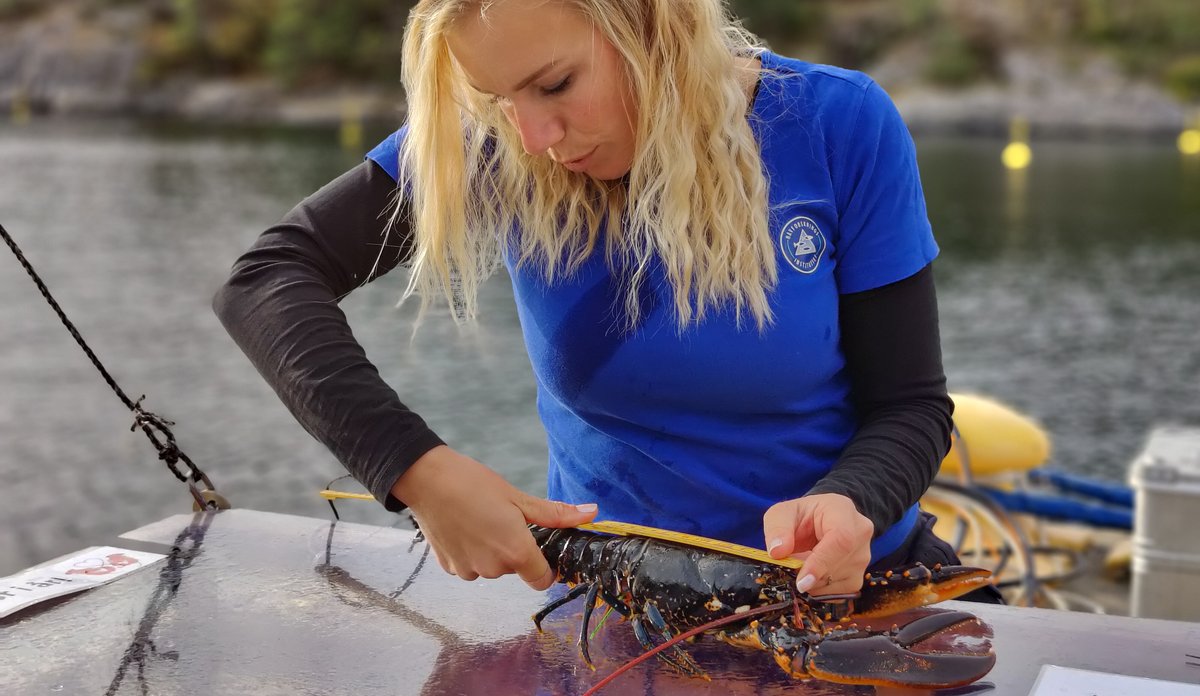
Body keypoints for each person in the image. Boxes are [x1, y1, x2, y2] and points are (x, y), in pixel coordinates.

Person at [214, 0, 1001, 603]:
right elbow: (269, 280)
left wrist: (848, 501)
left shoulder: (838, 124)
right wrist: (415, 470)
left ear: (648, 23)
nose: (532, 135)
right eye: (496, 99)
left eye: (556, 84)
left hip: (844, 594)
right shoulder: (495, 142)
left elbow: (910, 406)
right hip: (616, 603)